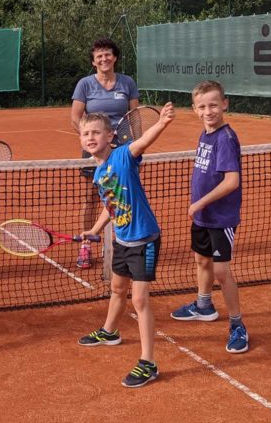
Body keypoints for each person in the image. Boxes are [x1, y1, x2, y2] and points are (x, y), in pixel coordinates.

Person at [77, 104, 175, 388]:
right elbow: (111, 204)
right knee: (118, 289)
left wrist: (162, 124)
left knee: (140, 300)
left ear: (110, 136)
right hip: (122, 240)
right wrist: (95, 230)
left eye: (96, 132)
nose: (90, 137)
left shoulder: (122, 156)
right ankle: (110, 331)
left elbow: (142, 142)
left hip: (144, 240)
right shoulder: (98, 172)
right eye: (86, 133)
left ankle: (148, 363)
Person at [169, 80, 249, 354]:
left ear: (224, 104)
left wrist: (200, 202)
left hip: (220, 218)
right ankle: (204, 305)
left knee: (221, 272)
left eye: (213, 105)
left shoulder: (225, 138)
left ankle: (237, 324)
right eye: (202, 107)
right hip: (203, 216)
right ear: (194, 109)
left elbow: (231, 181)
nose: (208, 111)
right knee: (201, 260)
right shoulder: (206, 134)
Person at [70, 38, 140, 270]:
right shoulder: (85, 85)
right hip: (94, 152)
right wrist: (92, 140)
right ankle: (86, 244)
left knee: (121, 196)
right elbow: (75, 118)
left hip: (121, 151)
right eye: (99, 56)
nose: (104, 59)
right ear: (93, 61)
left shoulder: (127, 83)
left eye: (107, 54)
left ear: (115, 57)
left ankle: (118, 242)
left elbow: (135, 117)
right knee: (91, 197)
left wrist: (134, 144)